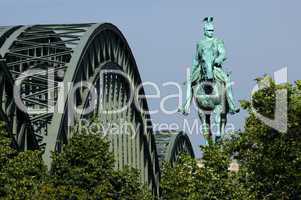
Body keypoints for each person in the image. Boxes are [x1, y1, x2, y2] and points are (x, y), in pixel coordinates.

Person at [180, 17, 240, 115]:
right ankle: (186, 107)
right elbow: (196, 59)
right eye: (209, 30)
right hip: (202, 68)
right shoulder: (200, 44)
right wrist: (193, 71)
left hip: (215, 67)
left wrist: (217, 60)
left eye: (212, 30)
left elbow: (223, 53)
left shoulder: (218, 41)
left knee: (227, 81)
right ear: (204, 31)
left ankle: (232, 105)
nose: (211, 32)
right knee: (190, 83)